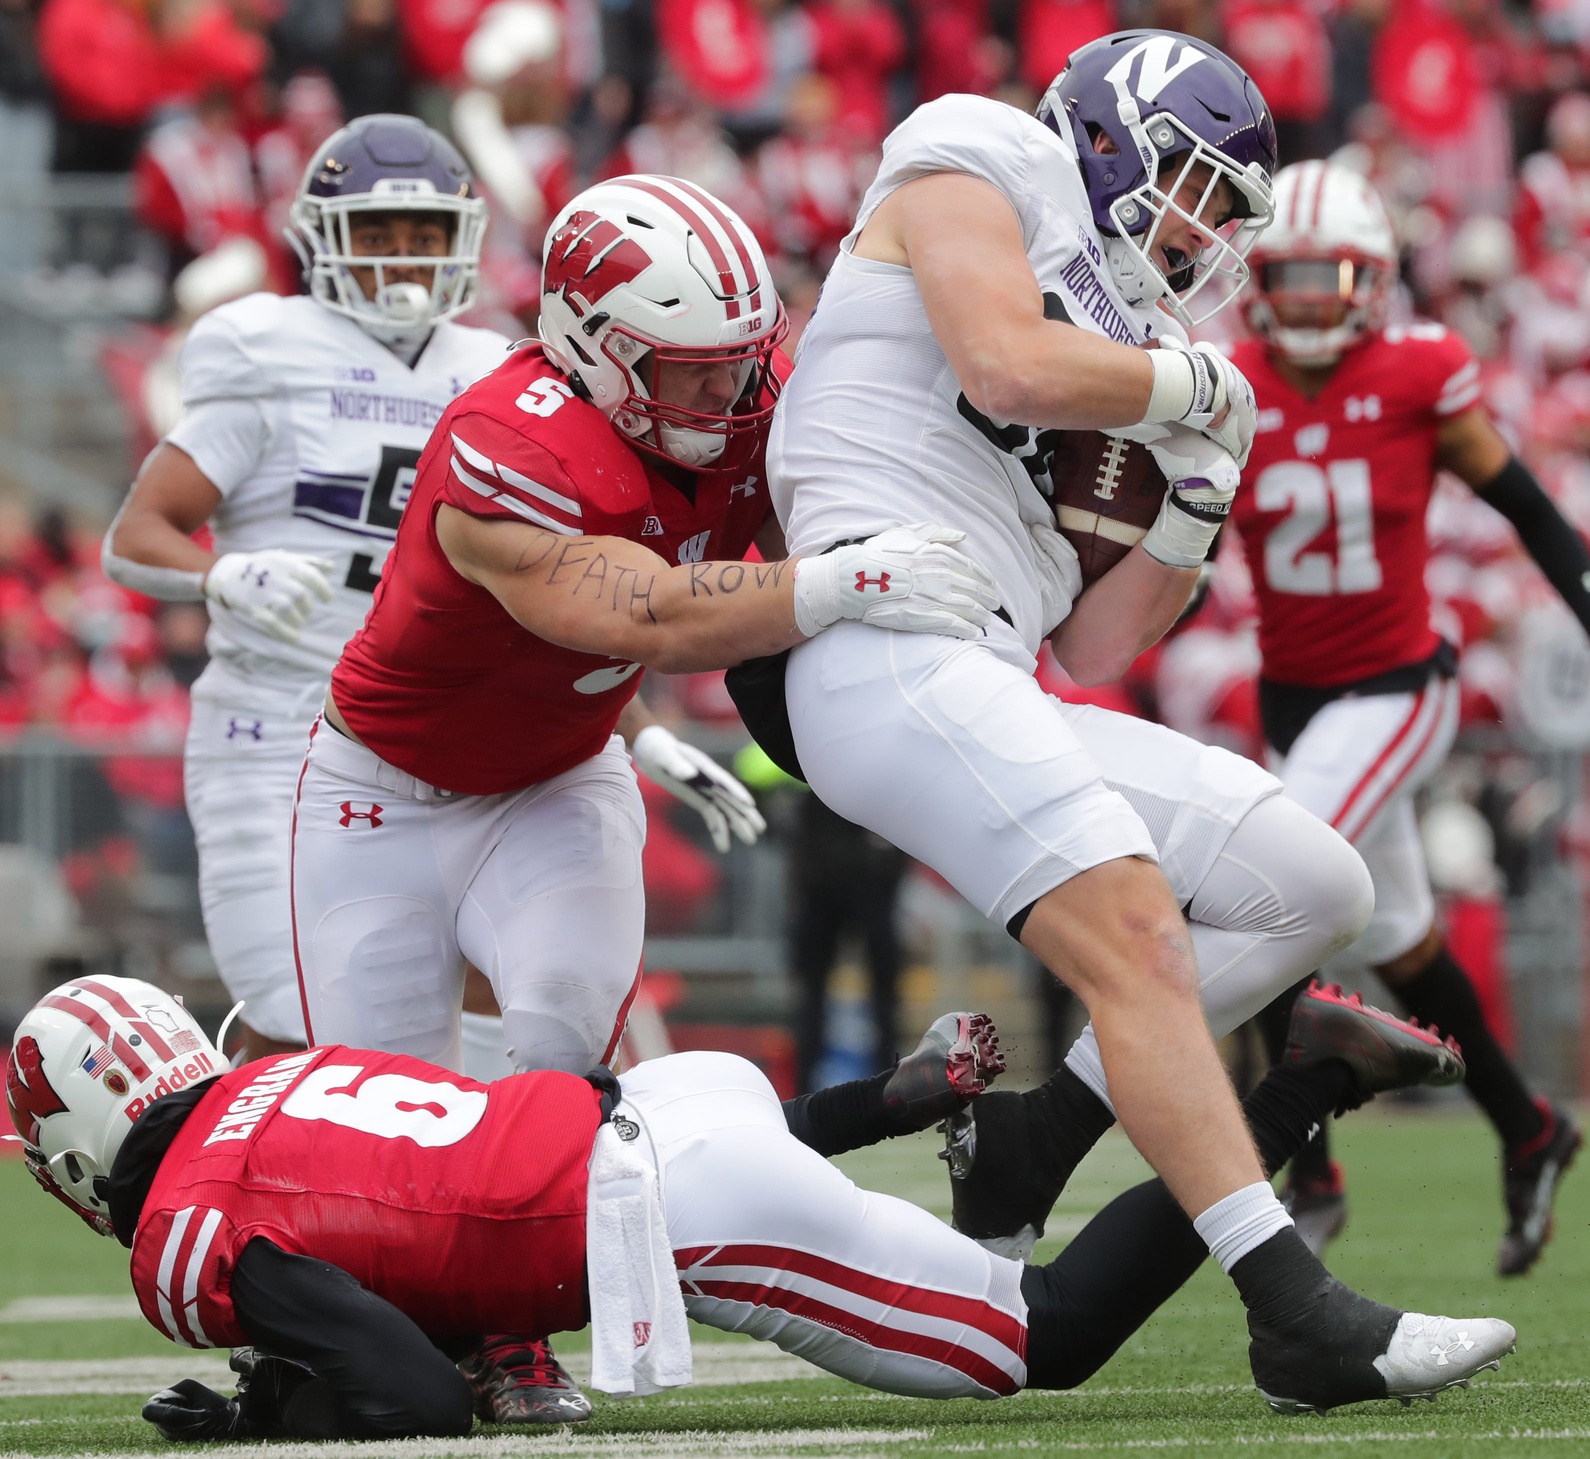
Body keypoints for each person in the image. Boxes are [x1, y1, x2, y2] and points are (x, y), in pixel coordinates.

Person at [756, 28, 1480, 1410]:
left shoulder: (1139, 336)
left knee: (1309, 881)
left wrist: (1195, 500)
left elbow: (1094, 641)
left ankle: (1031, 1138)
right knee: (1140, 928)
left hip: (990, 664)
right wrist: (1188, 391)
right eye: (1193, 184)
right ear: (1106, 134)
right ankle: (1290, 1305)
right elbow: (1002, 367)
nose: (1202, 230)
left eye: (1226, 210)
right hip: (876, 637)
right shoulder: (981, 155)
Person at [289, 173, 996, 1422]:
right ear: (595, 349)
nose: (729, 399)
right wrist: (845, 579)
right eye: (692, 373)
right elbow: (646, 610)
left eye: (741, 364)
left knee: (559, 1037)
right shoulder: (509, 440)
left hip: (557, 777)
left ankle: (513, 1336)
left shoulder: (739, 396)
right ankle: (379, 1339)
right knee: (386, 1110)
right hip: (381, 796)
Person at [4, 974, 1511, 1442]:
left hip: (675, 1194)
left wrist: (261, 1417)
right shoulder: (293, 1076)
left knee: (1039, 1339)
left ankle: (1294, 1084)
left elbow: (406, 1391)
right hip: (677, 1111)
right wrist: (859, 1112)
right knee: (954, 1258)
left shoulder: (183, 1226)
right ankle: (935, 1117)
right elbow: (458, 1212)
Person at [100, 117, 753, 1079]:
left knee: (500, 986)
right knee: (295, 1009)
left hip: (457, 714)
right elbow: (134, 535)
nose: (404, 254)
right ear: (323, 236)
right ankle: (246, 1195)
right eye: (380, 231)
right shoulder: (264, 347)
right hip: (284, 722)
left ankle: (490, 1182)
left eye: (423, 230)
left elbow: (560, 597)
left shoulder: (500, 368)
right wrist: (223, 573)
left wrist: (639, 726)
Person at [1227, 159, 1587, 1276]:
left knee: (1258, 871)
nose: (1308, 299)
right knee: (1398, 944)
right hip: (1297, 697)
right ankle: (1531, 1127)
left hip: (1398, 682)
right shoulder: (1225, 381)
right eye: (1285, 275)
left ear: (1376, 281)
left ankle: (1308, 1155)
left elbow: (1524, 504)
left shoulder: (1421, 370)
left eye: (1333, 275)